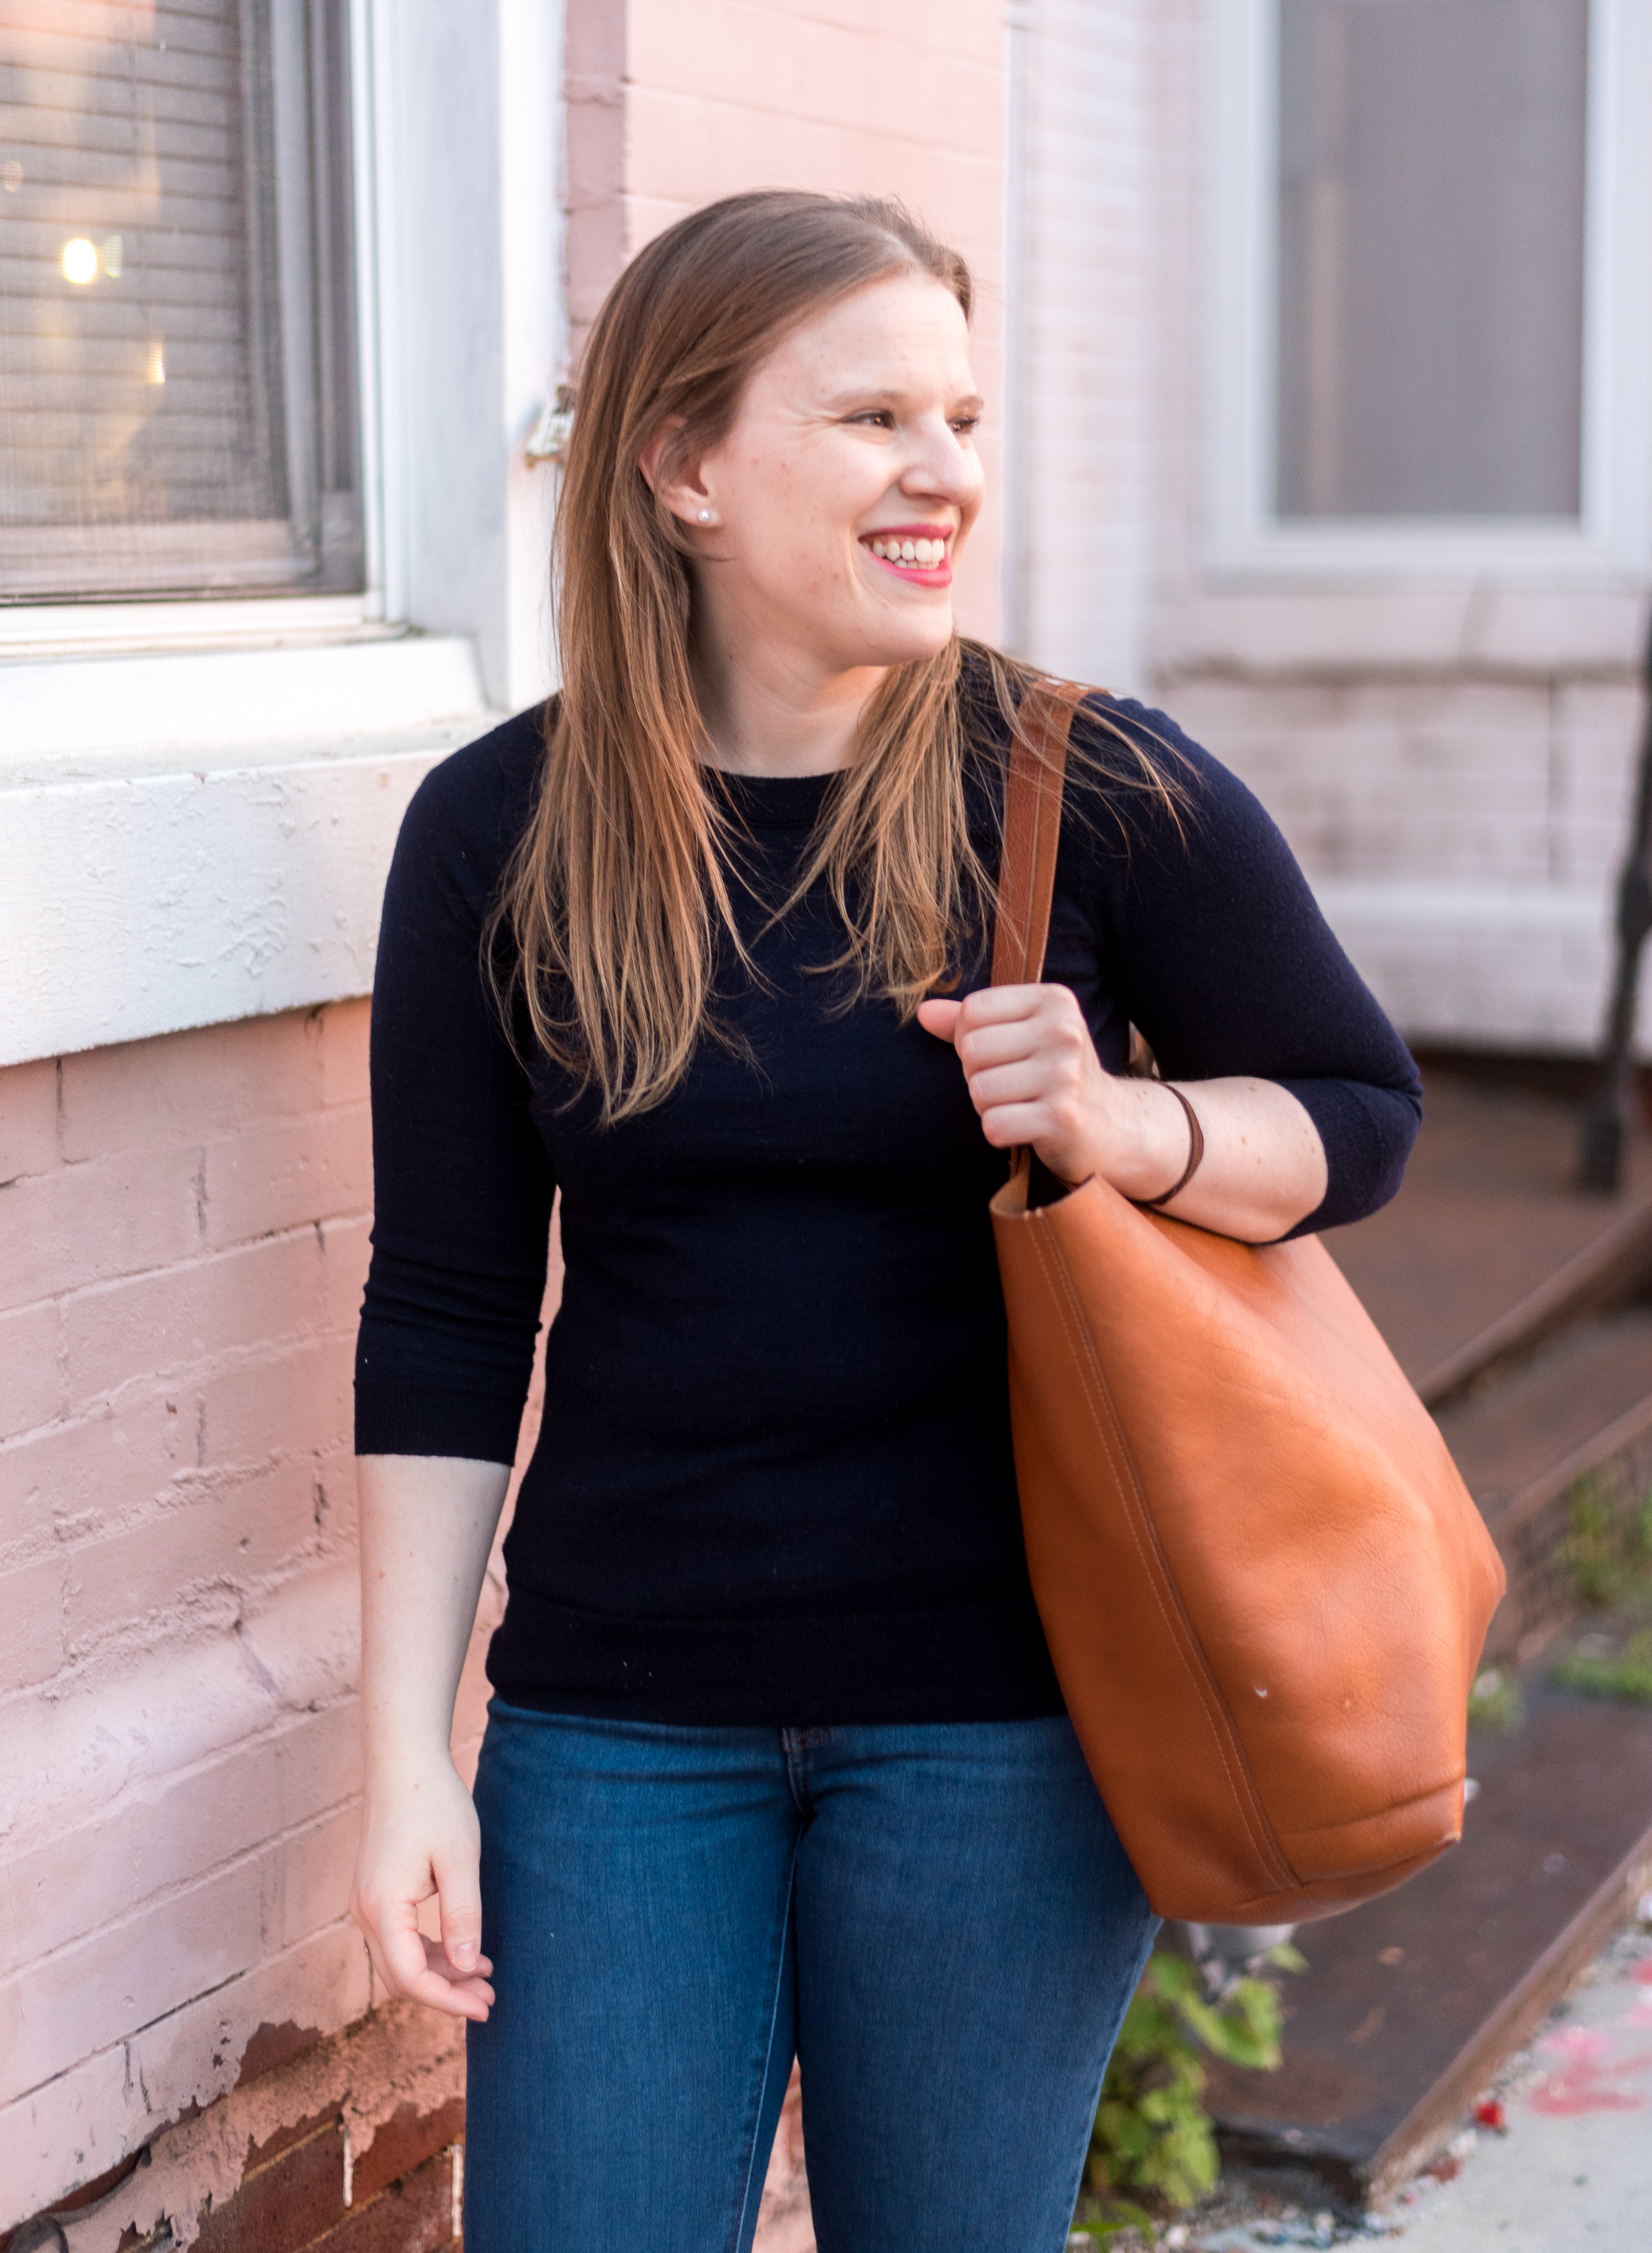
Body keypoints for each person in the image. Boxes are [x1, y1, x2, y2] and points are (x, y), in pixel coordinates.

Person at [349, 190, 1421, 2253]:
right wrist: (406, 1753)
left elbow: (1359, 1118)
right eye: (872, 419)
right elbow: (449, 1311)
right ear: (682, 469)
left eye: (962, 412)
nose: (948, 472)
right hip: (613, 1731)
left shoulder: (1091, 788)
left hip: (1002, 1729)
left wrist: (1129, 1124)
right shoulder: (499, 831)